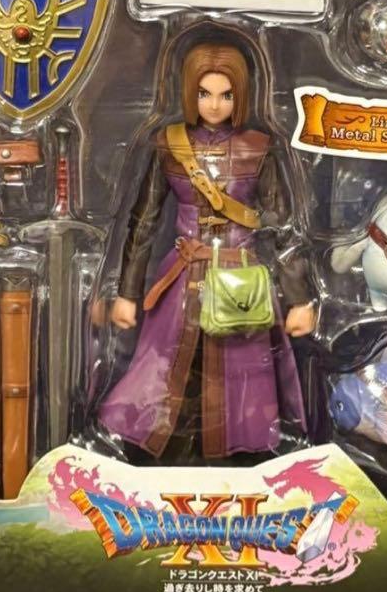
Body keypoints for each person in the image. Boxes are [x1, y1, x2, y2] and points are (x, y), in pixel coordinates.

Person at [98, 39, 316, 462]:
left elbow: (282, 226)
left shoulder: (258, 147)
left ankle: (240, 455)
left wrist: (300, 299)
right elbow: (143, 222)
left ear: (240, 96)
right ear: (189, 93)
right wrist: (127, 292)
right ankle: (161, 454)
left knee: (243, 377)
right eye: (204, 93)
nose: (214, 105)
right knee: (164, 368)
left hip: (241, 282)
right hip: (183, 278)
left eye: (225, 95)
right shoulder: (170, 145)